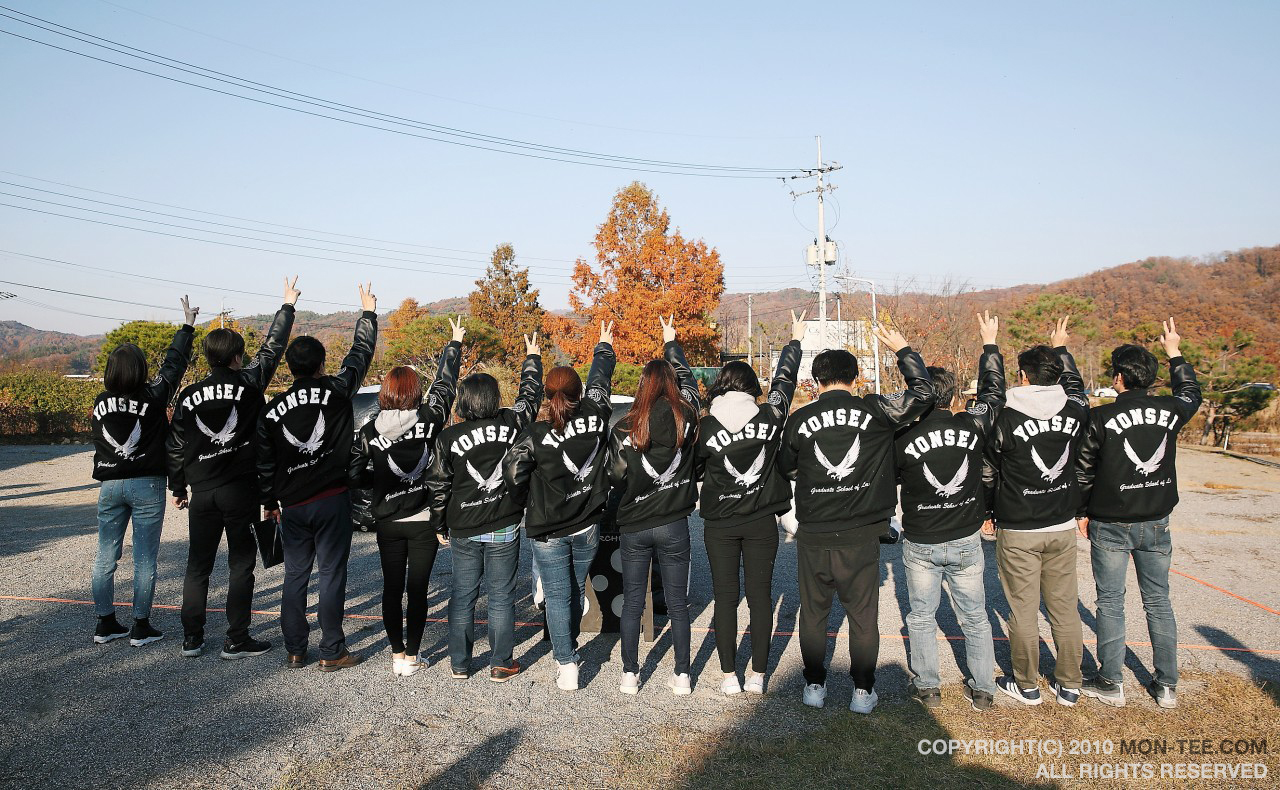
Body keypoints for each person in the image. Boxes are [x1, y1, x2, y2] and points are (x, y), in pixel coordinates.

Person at [778, 326, 934, 714]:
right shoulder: (876, 410)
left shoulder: (800, 419)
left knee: (813, 615)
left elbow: (785, 465)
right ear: (856, 378)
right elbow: (923, 394)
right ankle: (862, 692)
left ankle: (814, 686)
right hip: (861, 534)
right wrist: (902, 349)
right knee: (863, 618)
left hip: (814, 532)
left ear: (816, 380)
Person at [167, 277, 299, 660]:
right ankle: (236, 638)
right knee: (241, 565)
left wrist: (178, 487)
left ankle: (192, 638)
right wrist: (286, 306)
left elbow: (176, 445)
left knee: (198, 565)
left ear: (208, 358)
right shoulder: (249, 385)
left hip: (203, 492)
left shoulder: (189, 396)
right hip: (240, 490)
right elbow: (272, 351)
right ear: (238, 356)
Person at [1077, 319, 1201, 709]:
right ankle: (1166, 685)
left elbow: (1083, 469)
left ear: (1118, 378)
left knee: (1111, 602)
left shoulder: (1100, 417)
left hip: (1110, 522)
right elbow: (1191, 393)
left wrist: (1082, 511)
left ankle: (1111, 683)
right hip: (1156, 521)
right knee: (1158, 601)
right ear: (1149, 379)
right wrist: (1175, 352)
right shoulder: (1171, 411)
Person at [256, 283, 377, 671]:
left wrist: (269, 500)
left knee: (295, 575)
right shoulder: (338, 391)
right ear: (323, 364)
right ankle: (332, 650)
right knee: (331, 574)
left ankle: (294, 648)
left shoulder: (272, 410)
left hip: (291, 504)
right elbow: (359, 357)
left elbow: (265, 460)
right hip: (331, 497)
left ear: (289, 367)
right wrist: (368, 314)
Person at [893, 312, 1004, 711]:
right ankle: (983, 688)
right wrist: (989, 344)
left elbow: (890, 478)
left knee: (921, 616)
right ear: (954, 397)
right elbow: (993, 397)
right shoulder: (971, 426)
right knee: (975, 616)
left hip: (921, 536)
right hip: (964, 534)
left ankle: (928, 686)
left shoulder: (903, 435)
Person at [694, 310, 805, 696]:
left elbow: (693, 469)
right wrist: (794, 342)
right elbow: (785, 385)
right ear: (751, 387)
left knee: (725, 599)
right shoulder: (770, 416)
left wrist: (673, 342)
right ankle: (758, 674)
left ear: (721, 386)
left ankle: (729, 676)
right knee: (761, 598)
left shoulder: (705, 425)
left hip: (719, 524)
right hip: (761, 520)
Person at [504, 322, 616, 691]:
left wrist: (525, 502)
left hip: (548, 530)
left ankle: (566, 661)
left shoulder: (535, 434)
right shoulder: (596, 418)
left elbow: (512, 472)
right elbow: (600, 385)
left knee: (557, 593)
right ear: (578, 393)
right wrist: (603, 347)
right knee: (573, 590)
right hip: (586, 525)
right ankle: (568, 643)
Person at [349, 318, 465, 678]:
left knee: (391, 587)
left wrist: (379, 479)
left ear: (385, 392)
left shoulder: (369, 431)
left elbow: (352, 473)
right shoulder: (430, 419)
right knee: (418, 590)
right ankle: (413, 657)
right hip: (422, 520)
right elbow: (444, 388)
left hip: (388, 520)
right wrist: (454, 344)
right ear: (415, 393)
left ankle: (397, 654)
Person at [983, 317, 1089, 706]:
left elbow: (989, 467)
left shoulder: (1005, 413)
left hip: (1019, 526)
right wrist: (1061, 347)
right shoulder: (1075, 410)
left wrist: (989, 346)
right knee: (1064, 609)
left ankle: (1026, 684)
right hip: (1061, 522)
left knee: (1022, 610)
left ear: (1023, 376)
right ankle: (1070, 684)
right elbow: (1076, 389)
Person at [428, 333, 543, 683]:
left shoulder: (449, 438)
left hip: (463, 525)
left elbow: (437, 484)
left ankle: (460, 663)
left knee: (463, 594)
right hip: (504, 523)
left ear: (462, 401)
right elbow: (529, 398)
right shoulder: (511, 424)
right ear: (494, 398)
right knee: (501, 595)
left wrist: (438, 523)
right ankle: (500, 662)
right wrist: (532, 360)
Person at [90, 296, 198, 647]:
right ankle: (140, 625)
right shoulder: (153, 396)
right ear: (139, 370)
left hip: (109, 484)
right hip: (147, 484)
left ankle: (105, 623)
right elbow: (173, 366)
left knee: (106, 555)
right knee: (144, 558)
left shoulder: (100, 402)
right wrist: (186, 327)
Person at [607, 317, 702, 695]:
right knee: (678, 603)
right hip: (674, 522)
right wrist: (671, 343)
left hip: (634, 523)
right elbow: (691, 386)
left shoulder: (626, 426)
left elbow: (615, 476)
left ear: (643, 386)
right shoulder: (688, 420)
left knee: (632, 601)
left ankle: (630, 673)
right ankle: (682, 675)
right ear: (674, 385)